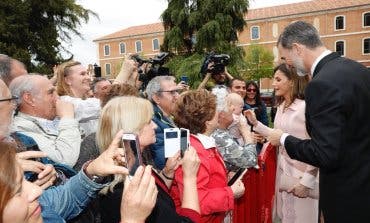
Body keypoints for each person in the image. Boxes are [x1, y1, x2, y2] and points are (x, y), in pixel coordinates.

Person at [266, 21, 370, 223]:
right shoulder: (360, 71)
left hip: (347, 197)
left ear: (297, 48)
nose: (288, 65)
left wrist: (284, 139)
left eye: (286, 59)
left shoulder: (321, 84)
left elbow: (325, 153)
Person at [0, 130, 160, 223]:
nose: (37, 190)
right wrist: (132, 220)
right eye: (17, 190)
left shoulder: (36, 207)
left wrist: (92, 170)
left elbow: (64, 198)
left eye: (25, 179)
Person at [96, 96, 201, 223]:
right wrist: (189, 177)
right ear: (133, 129)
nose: (155, 126)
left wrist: (167, 173)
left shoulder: (130, 169)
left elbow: (159, 196)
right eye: (148, 121)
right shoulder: (131, 192)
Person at [246, 63, 318, 223]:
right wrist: (256, 124)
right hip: (283, 175)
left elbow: (316, 147)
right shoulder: (280, 107)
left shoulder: (305, 108)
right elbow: (278, 136)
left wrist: (307, 182)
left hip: (301, 179)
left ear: (292, 81)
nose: (273, 84)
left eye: (278, 79)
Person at [171, 90, 245, 223]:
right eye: (216, 110)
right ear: (207, 122)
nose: (220, 113)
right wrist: (230, 192)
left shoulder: (199, 143)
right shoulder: (195, 151)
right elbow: (198, 200)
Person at [10, 74, 81, 167]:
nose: (57, 98)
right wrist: (67, 118)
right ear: (29, 99)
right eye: (51, 93)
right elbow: (65, 161)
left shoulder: (53, 119)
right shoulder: (21, 131)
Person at [56, 60, 101, 137]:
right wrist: (124, 73)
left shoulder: (86, 101)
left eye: (87, 73)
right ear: (68, 80)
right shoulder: (64, 102)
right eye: (82, 74)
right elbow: (105, 104)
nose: (88, 77)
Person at [145, 75, 181, 170]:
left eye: (177, 91)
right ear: (156, 98)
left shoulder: (164, 116)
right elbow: (163, 162)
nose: (177, 96)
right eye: (172, 92)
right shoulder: (152, 123)